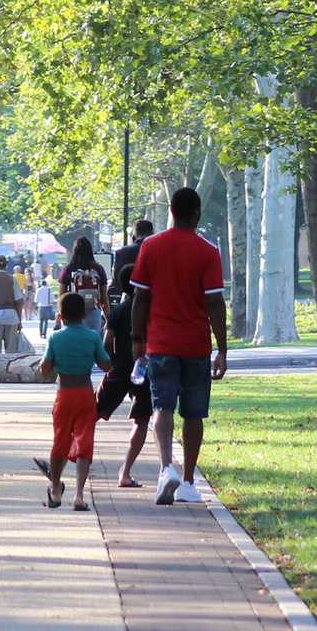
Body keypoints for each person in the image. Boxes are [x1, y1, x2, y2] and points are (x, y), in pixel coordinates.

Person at [130, 186, 228, 505]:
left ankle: (165, 467)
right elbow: (215, 303)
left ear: (171, 211)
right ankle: (187, 481)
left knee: (162, 406)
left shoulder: (151, 247)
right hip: (196, 344)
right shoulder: (208, 252)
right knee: (194, 413)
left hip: (160, 342)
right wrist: (222, 349)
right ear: (197, 214)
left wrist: (137, 339)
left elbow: (140, 298)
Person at [34, 291, 109, 510]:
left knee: (60, 442)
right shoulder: (93, 336)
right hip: (85, 394)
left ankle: (56, 489)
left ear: (61, 314)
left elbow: (45, 370)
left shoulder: (55, 337)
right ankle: (79, 496)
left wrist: (50, 364)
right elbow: (106, 365)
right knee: (85, 444)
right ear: (84, 314)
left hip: (64, 394)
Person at [96, 250, 154, 488]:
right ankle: (125, 472)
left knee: (93, 412)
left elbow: (107, 342)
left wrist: (110, 361)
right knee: (141, 420)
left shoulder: (118, 311)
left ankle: (77, 453)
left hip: (120, 369)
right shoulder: (152, 311)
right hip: (146, 369)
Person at [60, 238, 107, 332]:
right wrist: (107, 318)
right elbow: (104, 299)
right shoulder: (98, 269)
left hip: (72, 314)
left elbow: (62, 296)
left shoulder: (68, 269)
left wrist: (60, 315)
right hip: (93, 312)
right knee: (93, 339)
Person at [109, 218, 156, 305]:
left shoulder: (121, 252)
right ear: (152, 233)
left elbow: (116, 279)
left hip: (128, 300)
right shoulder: (159, 250)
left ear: (134, 236)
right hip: (154, 300)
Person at [0, 255, 22, 353]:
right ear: (6, 265)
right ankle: (9, 368)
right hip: (11, 316)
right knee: (11, 351)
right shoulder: (12, 279)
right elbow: (19, 302)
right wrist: (19, 321)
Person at [34, 272, 57, 338]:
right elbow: (52, 299)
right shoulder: (49, 290)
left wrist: (36, 306)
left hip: (41, 306)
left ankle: (41, 333)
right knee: (46, 321)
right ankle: (44, 333)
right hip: (47, 306)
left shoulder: (39, 290)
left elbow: (36, 300)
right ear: (46, 284)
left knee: (41, 321)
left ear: (41, 284)